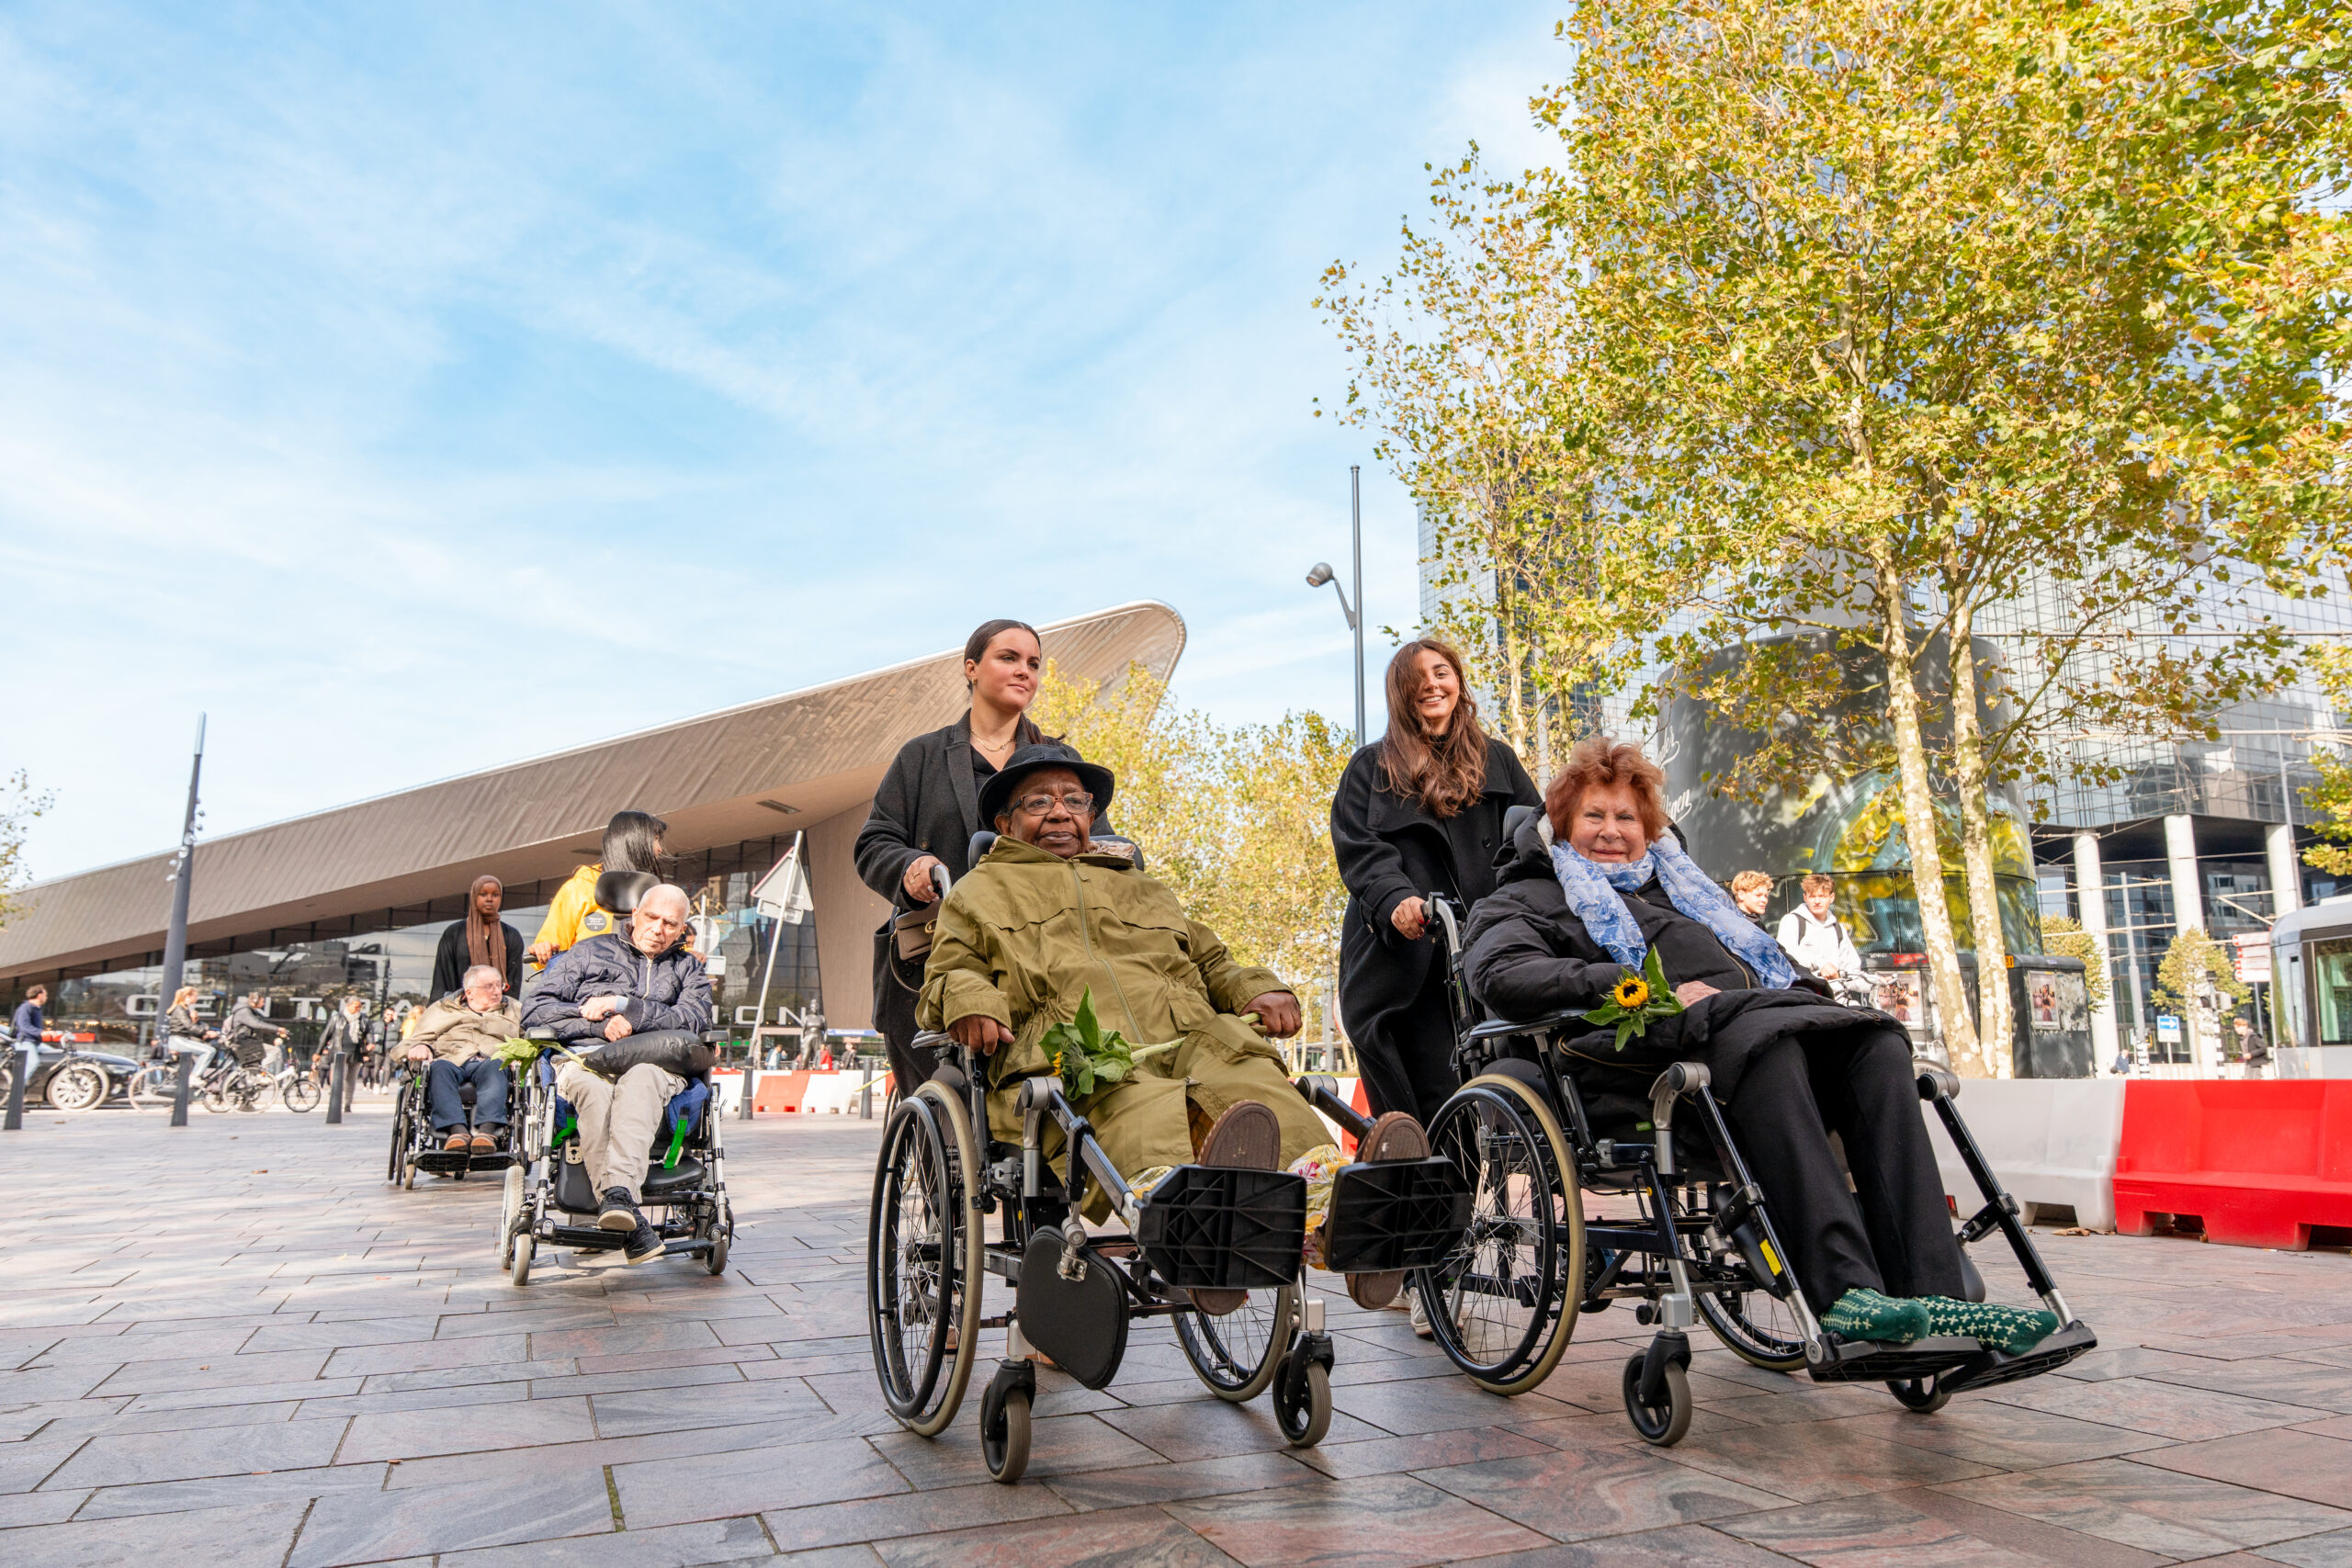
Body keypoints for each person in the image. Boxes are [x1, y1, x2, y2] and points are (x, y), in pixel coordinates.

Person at [1460, 736, 2059, 1355]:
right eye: (1594, 815)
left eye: (1627, 817)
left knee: (1877, 1044)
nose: (1612, 830)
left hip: (1747, 1036)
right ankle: (1847, 1291)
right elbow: (1500, 974)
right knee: (1770, 1043)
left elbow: (1761, 962)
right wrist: (1633, 985)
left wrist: (1812, 994)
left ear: (1649, 828)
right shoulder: (1526, 897)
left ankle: (1937, 1295)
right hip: (1636, 1065)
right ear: (1560, 822)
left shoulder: (1688, 891)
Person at [921, 743, 1431, 1312]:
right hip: (1082, 1055)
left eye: (1074, 800)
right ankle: (1199, 1236)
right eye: (1039, 801)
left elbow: (1212, 961)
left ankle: (1347, 1220)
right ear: (1005, 823)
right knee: (1136, 1104)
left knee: (1253, 1081)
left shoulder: (1142, 887)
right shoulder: (978, 894)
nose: (1060, 812)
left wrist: (1256, 987)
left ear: (1092, 815)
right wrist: (970, 1001)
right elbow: (951, 968)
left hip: (1189, 1034)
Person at [857, 618, 1079, 1102]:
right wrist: (910, 866)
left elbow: (1096, 843)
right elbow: (875, 842)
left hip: (1042, 953)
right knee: (946, 1106)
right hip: (939, 953)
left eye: (1034, 664)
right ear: (971, 669)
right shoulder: (921, 757)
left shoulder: (1058, 760)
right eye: (1009, 658)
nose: (1025, 671)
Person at [1333, 639, 1541, 1130]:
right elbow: (1360, 850)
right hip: (1408, 956)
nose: (1432, 683)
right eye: (1417, 677)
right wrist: (1396, 899)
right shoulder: (1371, 766)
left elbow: (1534, 836)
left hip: (1488, 947)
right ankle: (1429, 1200)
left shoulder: (1500, 760)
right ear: (1400, 694)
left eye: (1442, 672)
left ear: (1458, 683)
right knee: (1423, 1103)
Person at [523, 883, 713, 1265]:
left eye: (670, 924)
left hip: (655, 1062)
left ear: (681, 930)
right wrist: (597, 1026)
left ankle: (617, 1205)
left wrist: (626, 1006)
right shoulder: (589, 951)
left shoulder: (687, 968)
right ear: (635, 914)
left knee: (640, 1079)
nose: (658, 929)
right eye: (652, 918)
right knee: (595, 1093)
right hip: (586, 1059)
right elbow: (535, 1009)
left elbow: (694, 1019)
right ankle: (624, 1208)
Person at [526, 811, 669, 969]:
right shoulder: (579, 888)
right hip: (587, 988)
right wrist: (543, 950)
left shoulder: (657, 894)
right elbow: (545, 955)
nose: (659, 849)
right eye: (655, 840)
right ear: (635, 842)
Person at [406, 966, 521, 1151]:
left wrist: (522, 1055)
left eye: (499, 985)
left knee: (496, 1066)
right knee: (438, 1069)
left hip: (492, 1058)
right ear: (470, 993)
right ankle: (457, 1133)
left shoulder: (514, 1009)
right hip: (451, 1058)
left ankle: (486, 1133)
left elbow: (530, 1039)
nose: (496, 991)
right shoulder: (443, 1009)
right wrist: (420, 1047)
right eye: (489, 986)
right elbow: (414, 1040)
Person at [1777, 873, 1867, 1001]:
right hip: (1804, 997)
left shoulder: (1838, 929)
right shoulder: (1792, 921)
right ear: (1805, 897)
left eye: (1822, 896)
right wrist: (1821, 963)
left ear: (1832, 897)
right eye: (1812, 896)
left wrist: (1877, 983)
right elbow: (1786, 956)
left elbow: (1852, 971)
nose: (1817, 901)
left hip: (1837, 998)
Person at [433, 876, 526, 997]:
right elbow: (442, 978)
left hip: (497, 1010)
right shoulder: (454, 933)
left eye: (495, 895)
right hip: (459, 1010)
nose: (489, 899)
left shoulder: (511, 935)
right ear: (474, 897)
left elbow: (513, 982)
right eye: (483, 894)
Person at [222, 991, 287, 1074]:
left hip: (245, 1042)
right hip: (244, 1042)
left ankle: (255, 1074)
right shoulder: (244, 1011)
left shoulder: (247, 1011)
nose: (263, 1004)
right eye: (262, 1001)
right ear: (255, 1000)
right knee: (275, 1051)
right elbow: (256, 1024)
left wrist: (276, 1032)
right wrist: (277, 1029)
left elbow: (259, 1027)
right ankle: (260, 1071)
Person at [162, 986, 216, 1078]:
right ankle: (194, 1077)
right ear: (188, 996)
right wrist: (206, 1033)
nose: (196, 998)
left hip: (180, 1040)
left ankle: (192, 1077)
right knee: (209, 1051)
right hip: (179, 1040)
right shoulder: (180, 1009)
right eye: (195, 996)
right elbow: (190, 1026)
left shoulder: (183, 1009)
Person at [318, 995, 368, 1089]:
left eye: (360, 1007)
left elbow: (368, 1035)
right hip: (339, 1052)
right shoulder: (337, 1018)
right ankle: (335, 1100)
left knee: (351, 1082)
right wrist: (318, 1052)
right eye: (356, 1007)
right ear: (348, 1006)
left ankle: (347, 1102)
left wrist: (367, 1048)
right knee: (338, 1080)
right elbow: (326, 1035)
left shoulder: (363, 1020)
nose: (358, 1009)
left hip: (355, 1054)